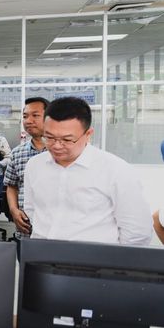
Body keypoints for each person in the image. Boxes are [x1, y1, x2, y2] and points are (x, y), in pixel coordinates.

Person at [24, 96, 152, 245]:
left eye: (67, 140)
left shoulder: (115, 170)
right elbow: (32, 209)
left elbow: (136, 230)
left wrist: (117, 265)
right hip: (42, 258)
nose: (57, 146)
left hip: (95, 263)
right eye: (50, 137)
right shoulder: (35, 165)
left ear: (88, 134)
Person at [3, 97, 49, 236]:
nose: (28, 121)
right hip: (26, 229)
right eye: (25, 116)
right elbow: (11, 185)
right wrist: (14, 210)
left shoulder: (60, 152)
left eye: (35, 115)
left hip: (53, 229)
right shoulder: (18, 152)